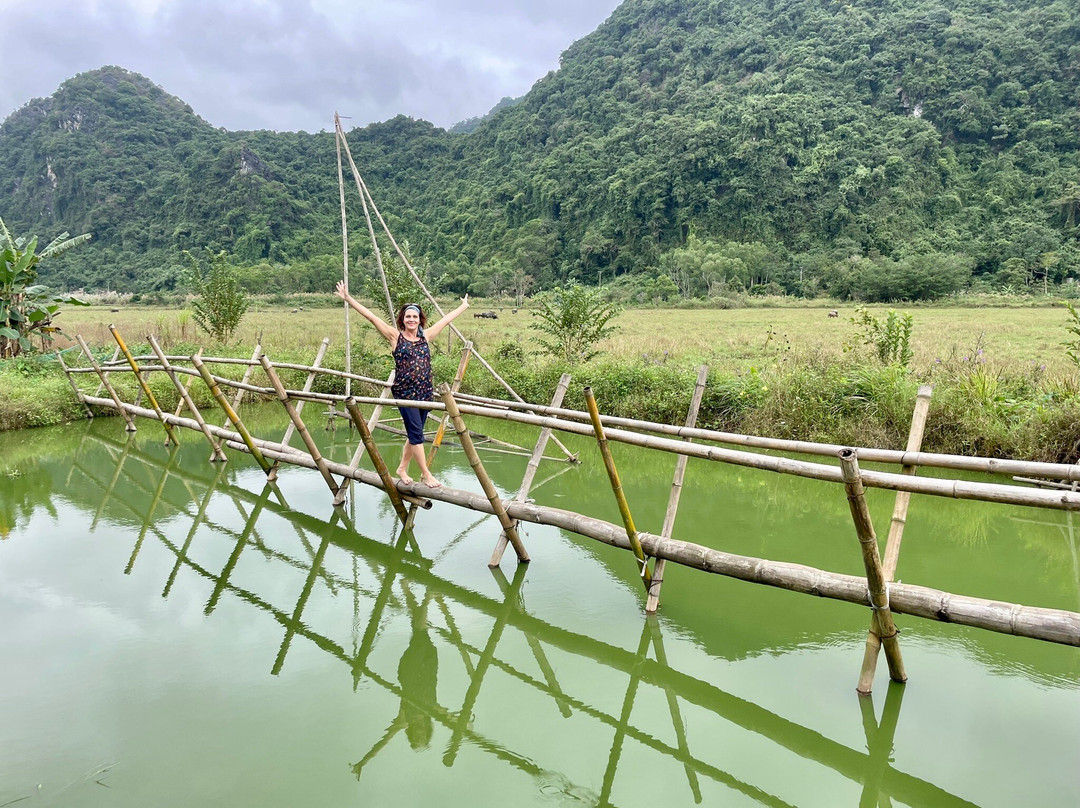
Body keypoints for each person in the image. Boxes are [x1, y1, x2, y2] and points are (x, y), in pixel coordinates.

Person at [334, 281, 468, 487]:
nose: (411, 320)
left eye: (415, 317)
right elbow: (371, 317)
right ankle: (426, 474)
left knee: (415, 433)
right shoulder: (395, 336)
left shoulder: (426, 336)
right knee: (416, 435)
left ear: (420, 320)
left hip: (425, 392)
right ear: (403, 320)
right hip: (405, 393)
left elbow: (446, 320)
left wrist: (463, 306)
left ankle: (402, 468)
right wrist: (348, 298)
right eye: (408, 317)